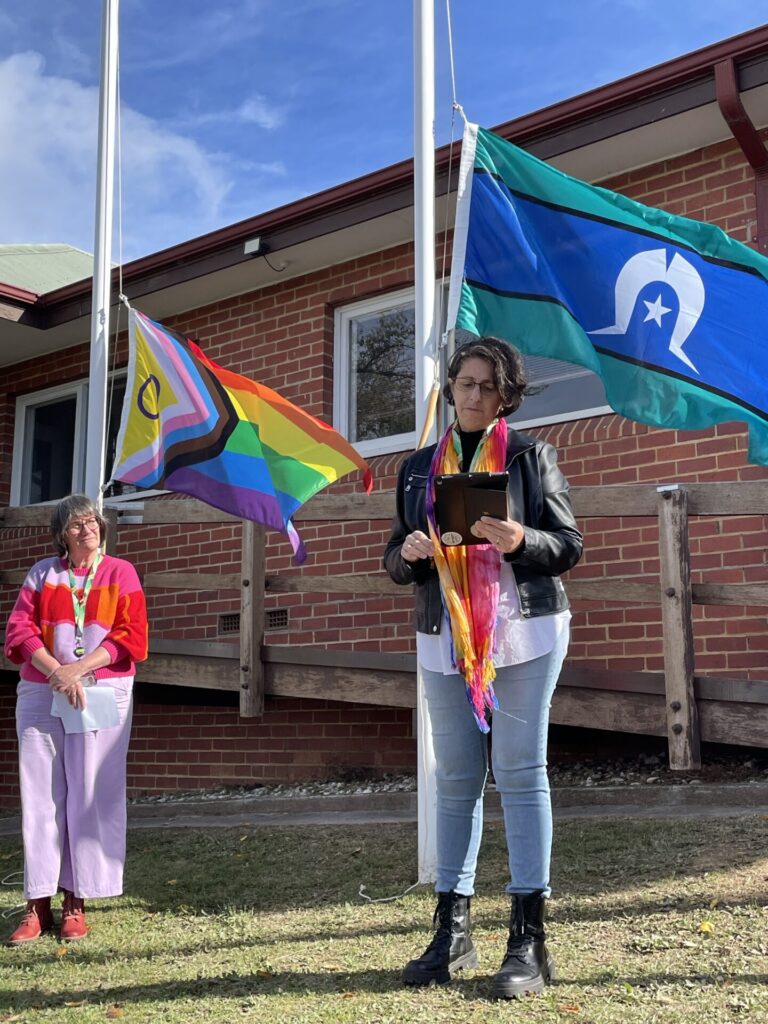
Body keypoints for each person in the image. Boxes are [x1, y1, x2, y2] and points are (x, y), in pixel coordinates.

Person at [384, 337, 582, 999]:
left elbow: (567, 545)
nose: (471, 396)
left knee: (521, 773)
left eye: (485, 387)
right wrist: (410, 552)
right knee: (457, 778)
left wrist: (523, 540)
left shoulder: (531, 455)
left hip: (524, 633)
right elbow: (393, 561)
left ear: (505, 396)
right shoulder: (417, 467)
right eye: (462, 383)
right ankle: (453, 931)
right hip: (445, 638)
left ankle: (529, 940)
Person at [4, 495, 148, 945]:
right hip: (43, 691)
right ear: (61, 535)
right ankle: (36, 903)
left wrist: (78, 670)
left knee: (89, 793)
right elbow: (20, 631)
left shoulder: (120, 572)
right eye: (76, 525)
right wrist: (57, 672)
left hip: (100, 693)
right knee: (41, 795)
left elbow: (132, 634)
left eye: (92, 522)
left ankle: (76, 902)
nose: (86, 529)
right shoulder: (43, 574)